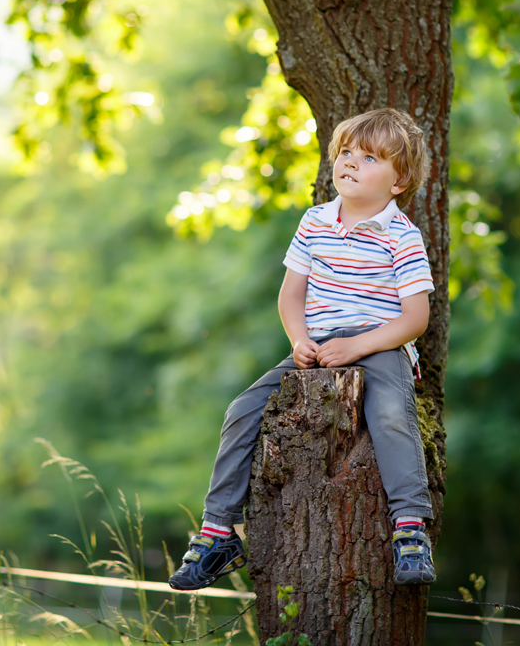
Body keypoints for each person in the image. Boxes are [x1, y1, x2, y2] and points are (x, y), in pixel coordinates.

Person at [168, 107, 436, 591]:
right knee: (243, 409)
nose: (351, 163)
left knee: (392, 415)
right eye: (347, 152)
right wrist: (299, 341)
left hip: (380, 345)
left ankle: (411, 527)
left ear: (399, 182)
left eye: (371, 158)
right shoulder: (315, 222)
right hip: (317, 346)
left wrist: (357, 345)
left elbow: (415, 319)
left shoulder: (403, 237)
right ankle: (217, 531)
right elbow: (291, 295)